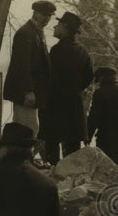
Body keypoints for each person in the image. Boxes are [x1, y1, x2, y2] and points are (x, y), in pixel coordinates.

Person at [39, 11, 93, 165]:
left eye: (59, 24)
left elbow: (48, 77)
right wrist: (75, 89)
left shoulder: (56, 51)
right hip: (74, 107)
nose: (55, 26)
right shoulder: (83, 51)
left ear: (66, 27)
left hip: (55, 106)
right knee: (73, 155)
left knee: (52, 155)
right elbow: (88, 77)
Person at [3, 0, 55, 136]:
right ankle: (19, 156)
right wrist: (28, 90)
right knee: (27, 130)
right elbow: (22, 64)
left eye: (49, 16)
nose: (47, 19)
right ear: (35, 13)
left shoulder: (36, 32)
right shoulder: (26, 33)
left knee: (26, 129)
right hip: (25, 93)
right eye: (44, 15)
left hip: (31, 92)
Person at [87, 66, 118, 164]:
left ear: (101, 77)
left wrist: (88, 135)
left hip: (106, 138)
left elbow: (94, 117)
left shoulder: (100, 92)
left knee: (106, 168)